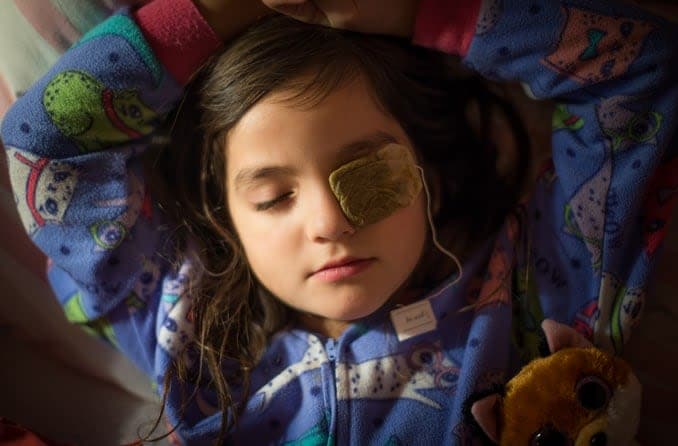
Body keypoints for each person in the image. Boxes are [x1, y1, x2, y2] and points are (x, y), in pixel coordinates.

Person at [1, 0, 676, 444]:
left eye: (369, 172)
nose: (329, 221)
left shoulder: (533, 302)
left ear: (426, 172)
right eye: (271, 198)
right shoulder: (182, 327)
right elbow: (44, 148)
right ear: (225, 218)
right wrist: (214, 12)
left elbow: (640, 77)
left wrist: (420, 10)